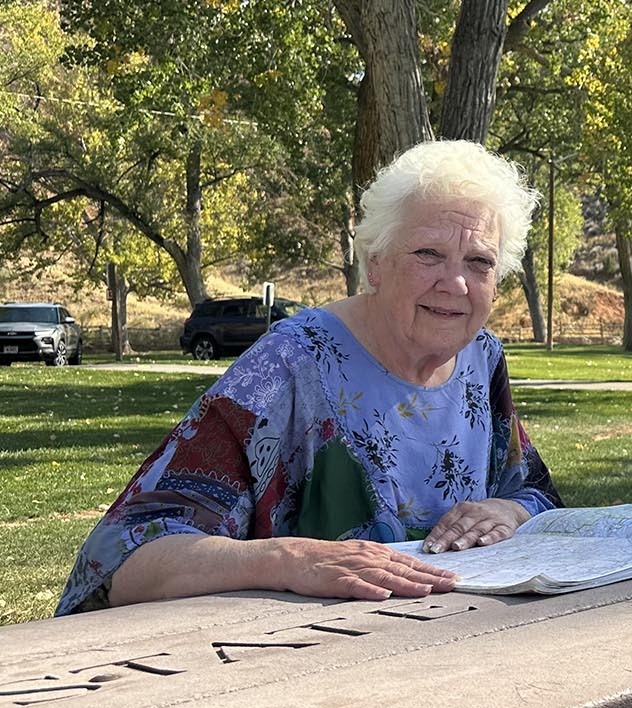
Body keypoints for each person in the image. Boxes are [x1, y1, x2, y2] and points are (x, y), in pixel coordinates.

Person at [57, 140, 563, 615]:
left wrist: (510, 511)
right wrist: (286, 560)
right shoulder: (289, 366)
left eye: (479, 262)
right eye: (428, 254)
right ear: (376, 264)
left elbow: (537, 496)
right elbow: (118, 561)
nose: (455, 283)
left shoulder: (482, 357)